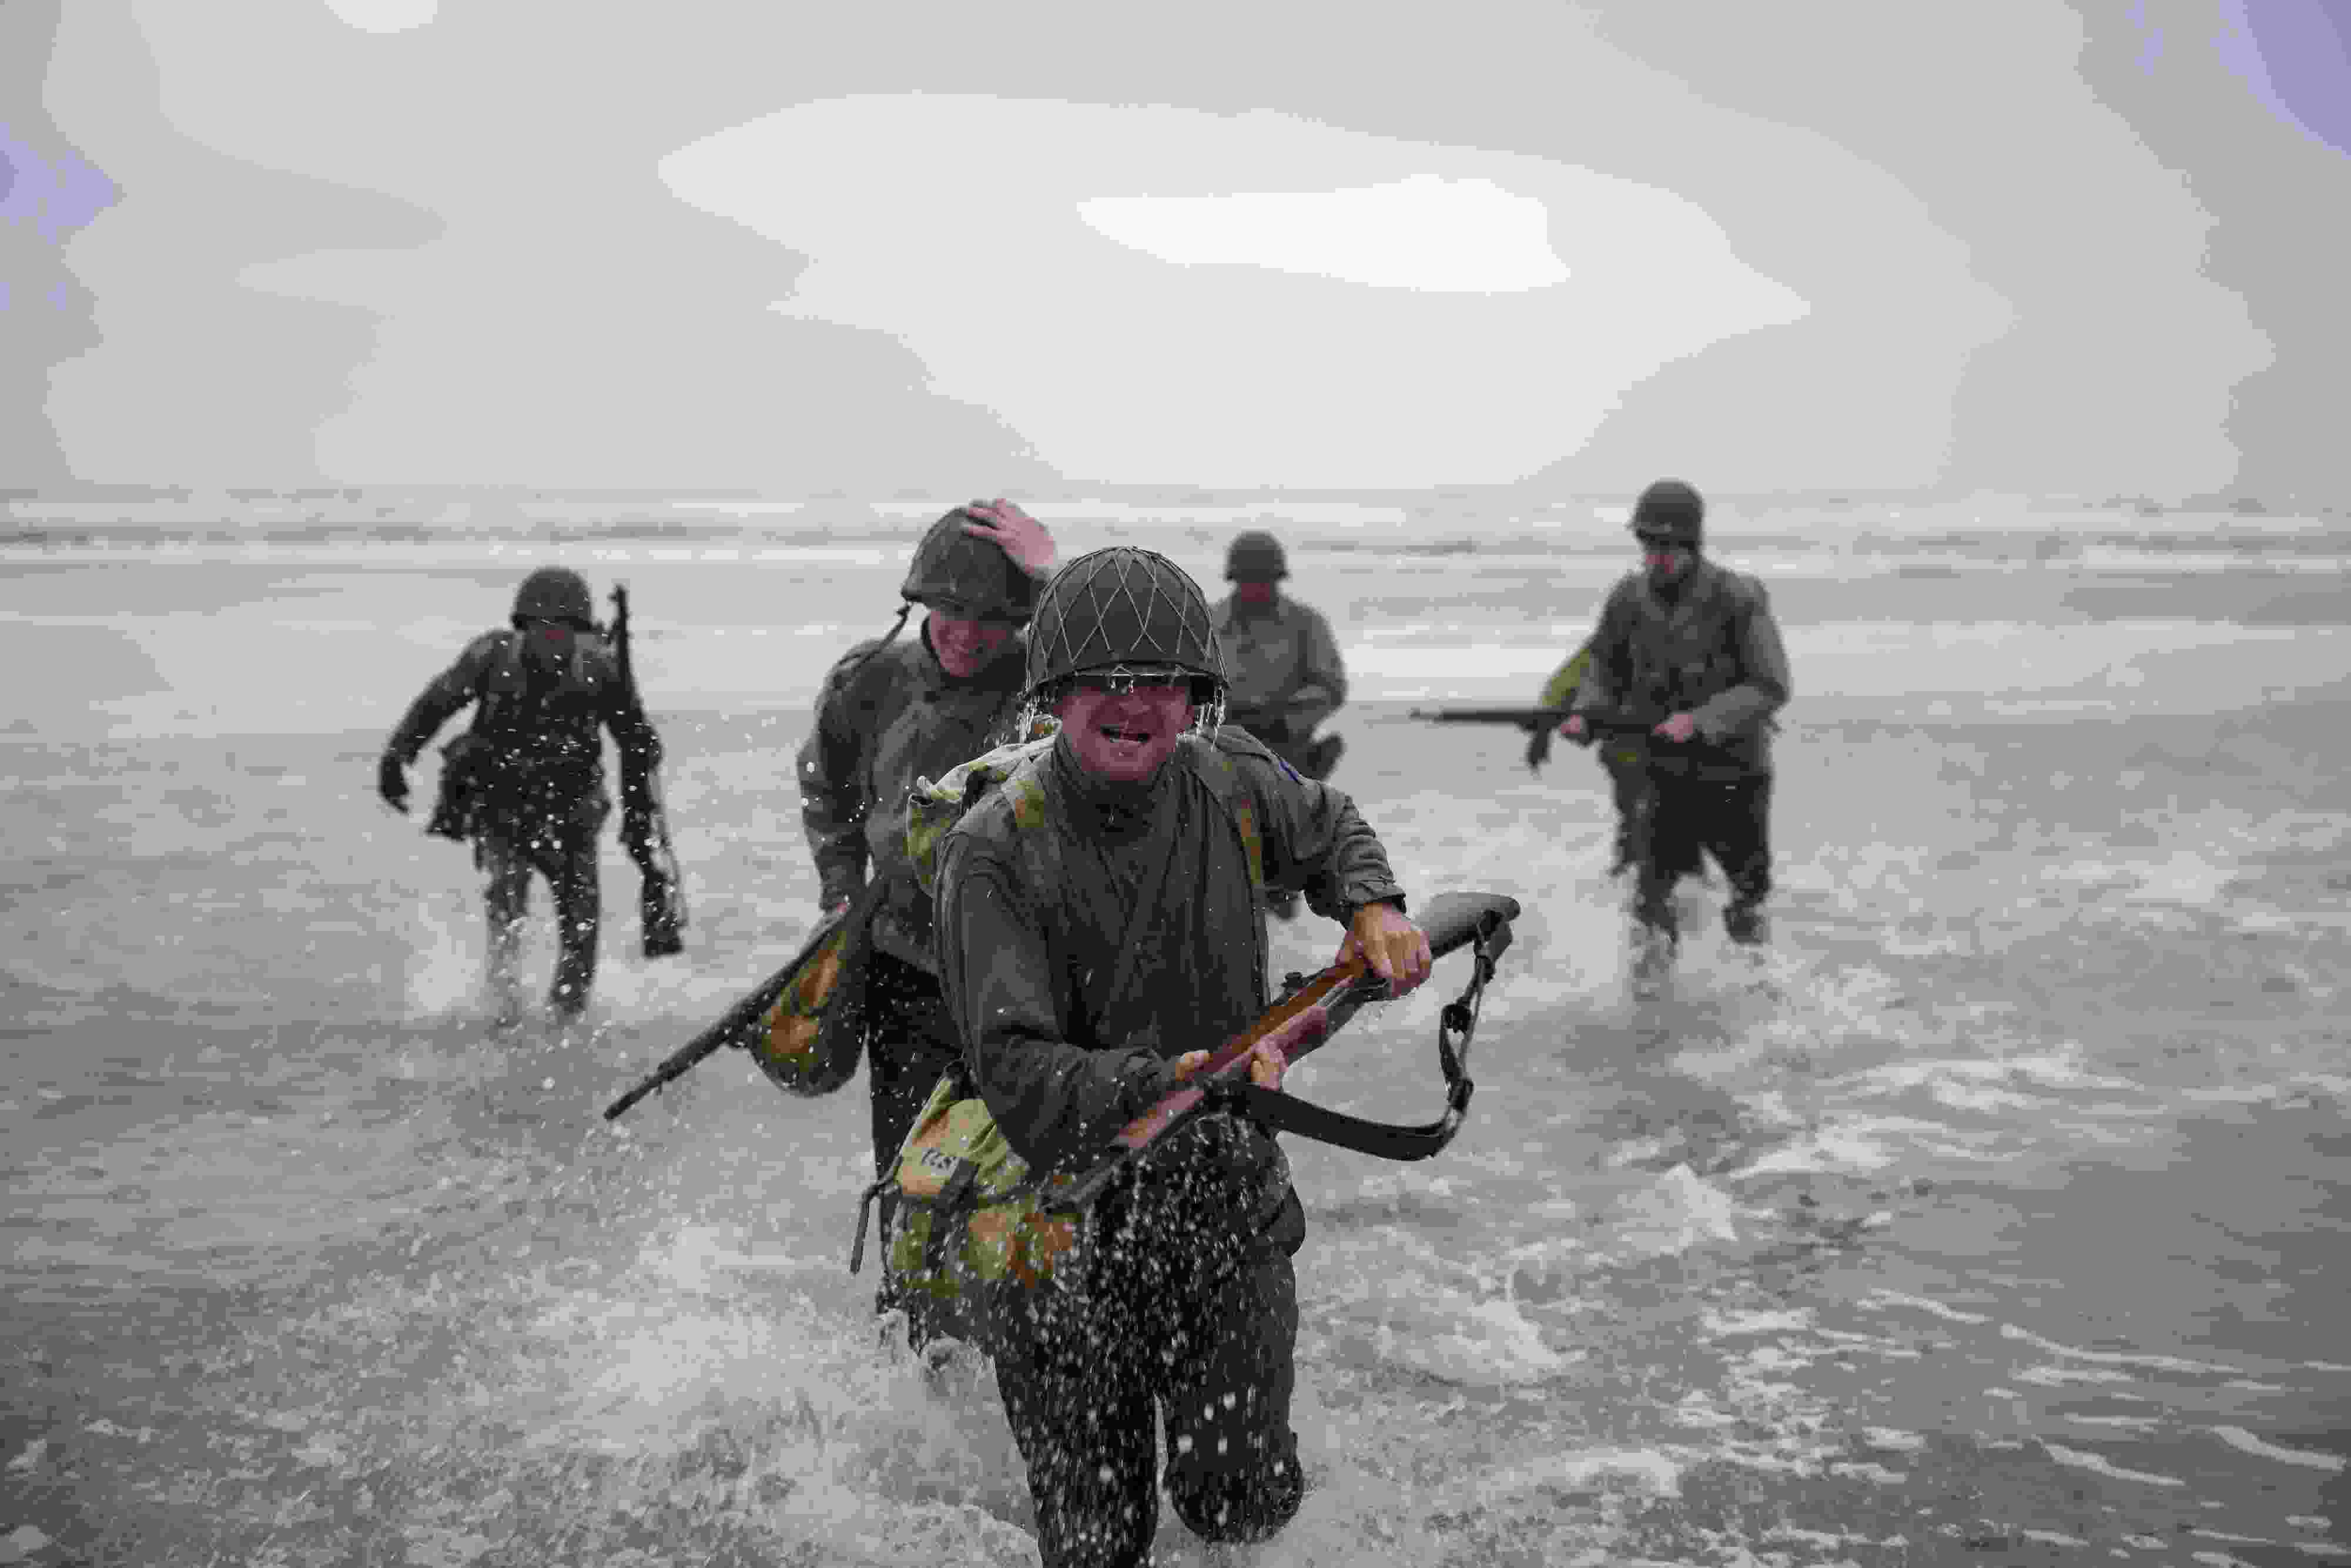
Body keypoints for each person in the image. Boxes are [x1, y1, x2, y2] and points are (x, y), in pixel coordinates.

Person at [930, 544, 1434, 1567]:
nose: (1135, 703)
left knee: (1240, 1503)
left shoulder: (1229, 776)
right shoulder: (992, 849)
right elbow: (1016, 1072)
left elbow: (1329, 821)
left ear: (1196, 696)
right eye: (1106, 681)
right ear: (1054, 695)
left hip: (1225, 1209)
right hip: (1065, 1230)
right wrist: (1175, 1079)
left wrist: (1372, 904)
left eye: (1162, 680)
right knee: (1096, 1544)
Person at [795, 497, 1057, 1323]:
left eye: (995, 618)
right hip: (906, 973)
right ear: (919, 603)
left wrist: (1054, 578)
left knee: (1027, 1177)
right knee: (913, 1175)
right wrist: (841, 888)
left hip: (1028, 983)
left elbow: (1139, 675)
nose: (970, 634)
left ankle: (1017, 1327)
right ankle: (912, 1326)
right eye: (953, 612)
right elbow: (827, 792)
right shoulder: (868, 681)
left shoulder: (1052, 686)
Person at [377, 565, 667, 1023]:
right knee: (506, 910)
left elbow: (635, 747)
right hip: (502, 808)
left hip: (573, 814)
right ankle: (504, 1006)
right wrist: (398, 755)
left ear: (579, 632)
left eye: (562, 630)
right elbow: (438, 702)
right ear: (523, 627)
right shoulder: (491, 656)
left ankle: (566, 1020)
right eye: (541, 628)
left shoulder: (601, 669)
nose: (551, 639)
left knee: (581, 925)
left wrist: (639, 822)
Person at [1560, 478, 1792, 953]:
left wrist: (1700, 721)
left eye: (1667, 546)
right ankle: (1653, 985)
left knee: (1747, 898)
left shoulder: (1738, 597)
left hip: (1735, 773)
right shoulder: (1627, 597)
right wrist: (1584, 713)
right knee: (1651, 898)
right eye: (1648, 545)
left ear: (1692, 543)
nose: (1656, 557)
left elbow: (1770, 686)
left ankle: (1755, 983)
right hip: (1662, 773)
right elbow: (1603, 667)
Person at [1211, 528, 1349, 919]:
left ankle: (1281, 886)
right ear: (1235, 580)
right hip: (1221, 740)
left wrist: (1285, 718)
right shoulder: (1209, 621)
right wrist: (1220, 712)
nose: (1256, 589)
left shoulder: (1307, 624)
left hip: (1285, 744)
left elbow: (1331, 686)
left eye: (1264, 581)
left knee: (1285, 821)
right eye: (1249, 580)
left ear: (1277, 580)